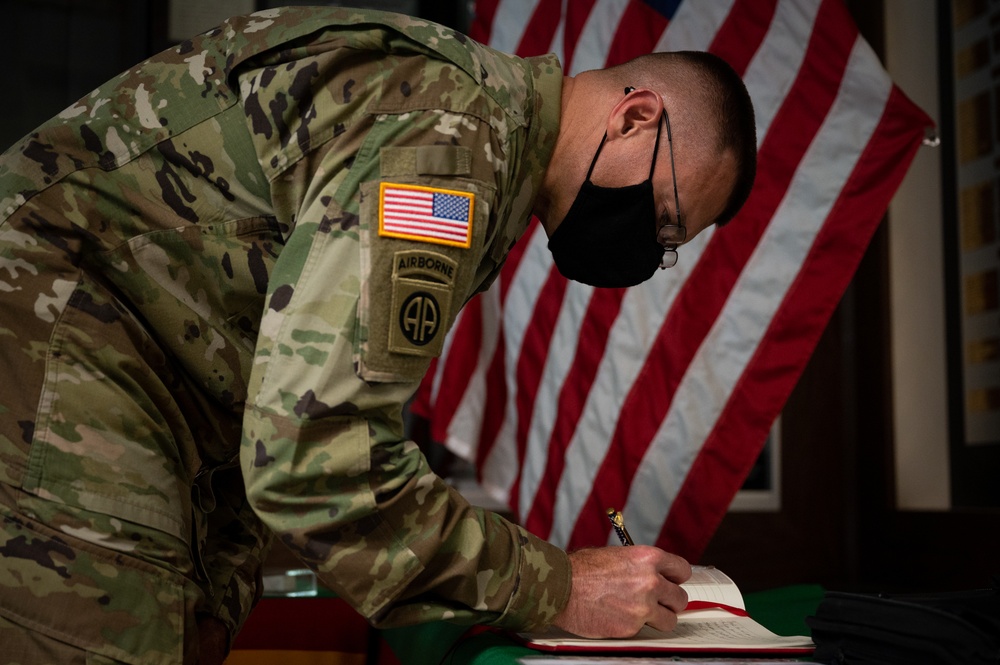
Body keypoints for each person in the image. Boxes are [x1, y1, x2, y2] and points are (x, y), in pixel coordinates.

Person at [0, 6, 756, 664]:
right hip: (57, 341)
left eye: (668, 244)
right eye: (663, 217)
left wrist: (211, 594)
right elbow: (314, 452)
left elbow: (242, 375)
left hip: (119, 374)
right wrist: (558, 585)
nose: (650, 251)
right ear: (635, 116)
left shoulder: (480, 132)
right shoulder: (450, 142)